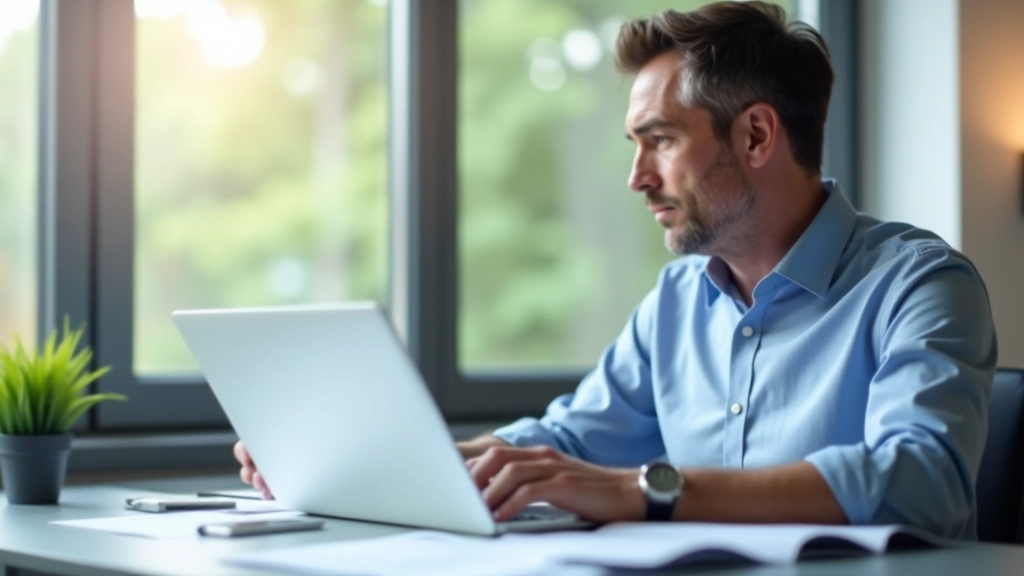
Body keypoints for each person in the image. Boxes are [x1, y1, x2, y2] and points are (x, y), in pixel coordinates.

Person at [235, 1, 997, 539]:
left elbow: (919, 481)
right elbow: (565, 441)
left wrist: (647, 490)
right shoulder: (677, 300)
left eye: (659, 139)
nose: (635, 177)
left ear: (757, 134)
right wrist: (352, 452)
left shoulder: (920, 286)